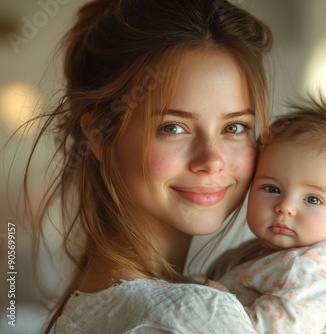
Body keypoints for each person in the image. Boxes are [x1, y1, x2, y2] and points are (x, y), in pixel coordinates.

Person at [16, 0, 273, 332]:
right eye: (173, 128)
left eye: (234, 127)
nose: (211, 160)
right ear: (99, 134)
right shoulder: (195, 316)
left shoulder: (87, 306)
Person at [206, 96, 326, 333]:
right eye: (272, 189)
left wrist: (215, 303)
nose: (285, 207)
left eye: (313, 199)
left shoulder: (308, 269)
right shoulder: (248, 255)